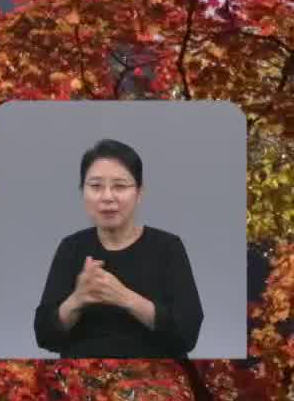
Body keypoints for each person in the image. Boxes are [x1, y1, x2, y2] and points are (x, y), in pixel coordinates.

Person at [33, 139, 204, 358]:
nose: (107, 197)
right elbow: (44, 335)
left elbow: (187, 334)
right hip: (82, 380)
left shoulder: (168, 247)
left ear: (139, 193)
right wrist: (78, 299)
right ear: (82, 191)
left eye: (120, 186)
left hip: (155, 380)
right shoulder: (71, 248)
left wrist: (124, 297)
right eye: (95, 186)